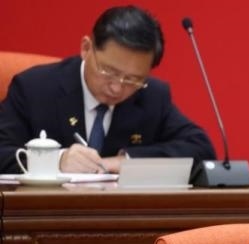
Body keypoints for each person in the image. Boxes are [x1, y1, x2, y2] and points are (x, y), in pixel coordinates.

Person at [0, 5, 215, 174]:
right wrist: (57, 161)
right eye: (108, 71)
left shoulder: (151, 95)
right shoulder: (34, 87)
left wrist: (125, 161)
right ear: (86, 48)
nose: (117, 87)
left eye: (133, 79)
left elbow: (201, 149)